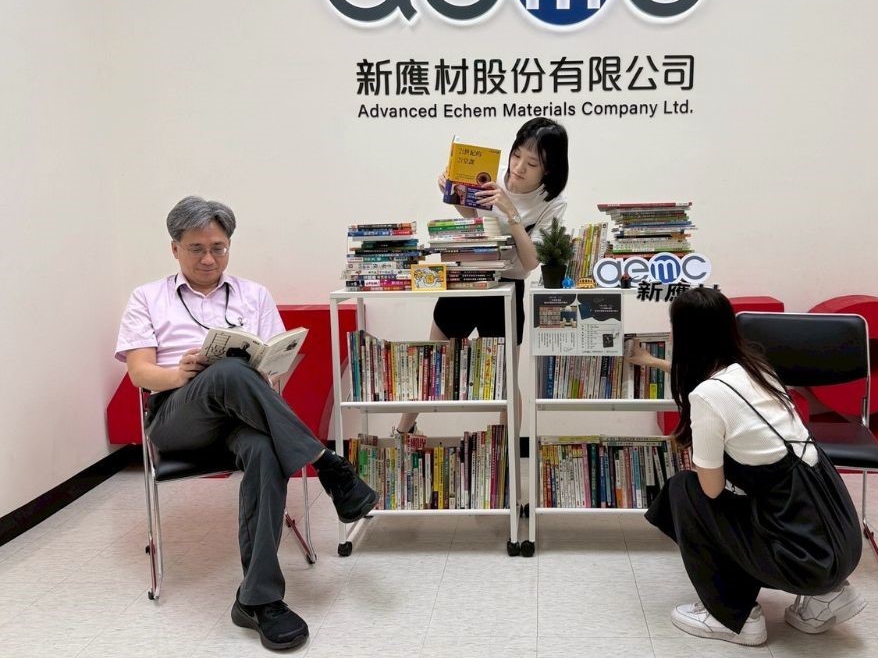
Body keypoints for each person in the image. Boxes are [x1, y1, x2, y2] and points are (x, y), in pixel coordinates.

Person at [116, 197, 380, 651]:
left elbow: (279, 366)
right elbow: (140, 373)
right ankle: (328, 464)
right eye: (196, 248)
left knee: (262, 448)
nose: (208, 258)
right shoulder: (147, 297)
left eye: (218, 247)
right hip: (178, 416)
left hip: (242, 417)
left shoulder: (253, 294)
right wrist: (180, 374)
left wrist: (267, 369)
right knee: (227, 371)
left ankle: (259, 601)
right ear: (174, 248)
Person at [645, 288, 865, 646]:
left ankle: (735, 615)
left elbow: (711, 489)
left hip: (801, 562)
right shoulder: (759, 370)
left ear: (686, 335)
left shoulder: (706, 397)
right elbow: (714, 384)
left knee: (683, 492)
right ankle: (828, 595)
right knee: (742, 497)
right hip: (839, 544)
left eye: (673, 328)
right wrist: (654, 363)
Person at [398, 117, 571, 434]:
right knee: (431, 365)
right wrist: (453, 194)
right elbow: (474, 220)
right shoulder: (491, 175)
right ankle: (402, 433)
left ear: (548, 169)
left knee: (506, 382)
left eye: (531, 163)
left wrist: (511, 213)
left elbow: (531, 261)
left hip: (507, 290)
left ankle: (507, 454)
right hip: (467, 279)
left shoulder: (552, 203)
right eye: (516, 155)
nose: (518, 167)